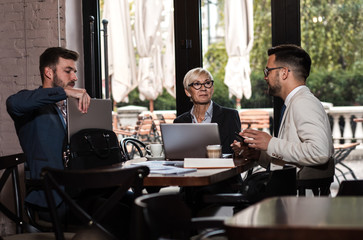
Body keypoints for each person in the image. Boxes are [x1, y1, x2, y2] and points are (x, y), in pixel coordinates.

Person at [232, 44, 334, 180]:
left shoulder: (303, 102)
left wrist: (270, 143)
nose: (265, 77)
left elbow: (319, 152)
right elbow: (289, 158)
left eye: (268, 71)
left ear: (284, 72)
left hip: (297, 199)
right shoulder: (295, 102)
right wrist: (258, 155)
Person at [7, 47, 91, 208]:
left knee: (133, 203)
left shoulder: (74, 107)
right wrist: (64, 91)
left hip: (82, 191)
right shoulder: (30, 105)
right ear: (49, 73)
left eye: (74, 71)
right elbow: (13, 103)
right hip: (54, 198)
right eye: (68, 71)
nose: (75, 77)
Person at [174, 67, 241, 154]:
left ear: (212, 89)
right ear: (187, 92)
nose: (203, 88)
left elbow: (239, 153)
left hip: (222, 167)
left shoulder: (230, 116)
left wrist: (241, 150)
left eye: (207, 83)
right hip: (190, 167)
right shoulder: (179, 122)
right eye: (197, 84)